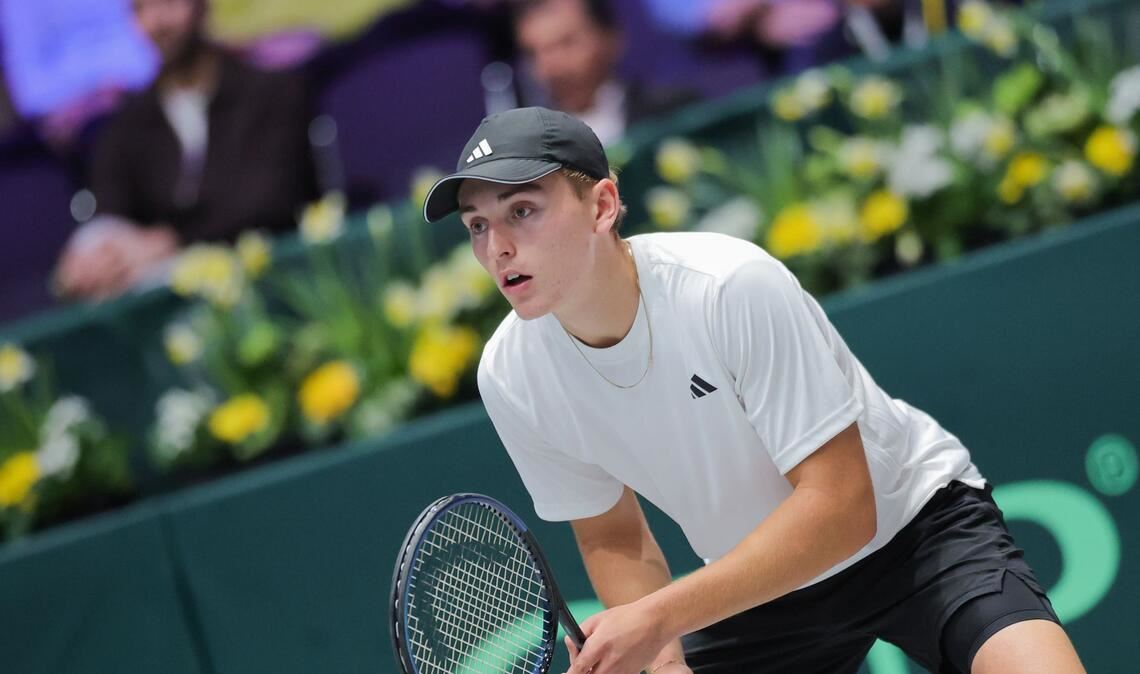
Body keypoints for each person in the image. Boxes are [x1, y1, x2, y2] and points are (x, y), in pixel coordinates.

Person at [421, 106, 1086, 674]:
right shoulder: (511, 373)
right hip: (763, 587)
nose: (497, 247)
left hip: (916, 532)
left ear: (602, 205)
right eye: (477, 225)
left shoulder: (729, 286)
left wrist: (658, 617)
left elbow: (842, 506)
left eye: (523, 211)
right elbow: (612, 535)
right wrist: (665, 663)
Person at [54, 0, 319, 301]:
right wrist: (87, 263)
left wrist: (174, 241)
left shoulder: (271, 94)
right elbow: (109, 211)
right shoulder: (126, 127)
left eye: (169, 3)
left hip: (274, 288)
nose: (157, 22)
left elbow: (271, 204)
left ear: (202, 6)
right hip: (174, 307)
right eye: (140, 8)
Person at [512, 0, 699, 145]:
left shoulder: (673, 113)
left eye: (566, 43)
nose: (551, 67)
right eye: (533, 53)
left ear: (610, 39)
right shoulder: (531, 149)